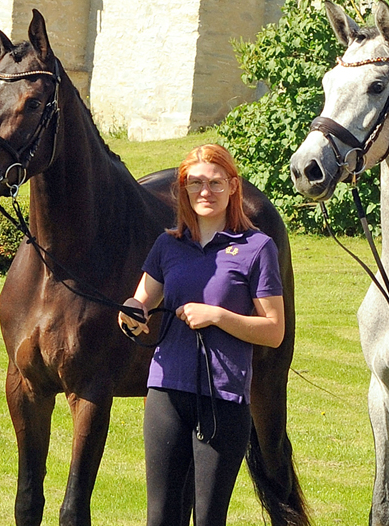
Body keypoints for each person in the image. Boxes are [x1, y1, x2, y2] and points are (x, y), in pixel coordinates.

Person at [117, 144, 284, 526]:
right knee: (161, 517)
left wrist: (218, 316)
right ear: (184, 190)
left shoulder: (257, 248)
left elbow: (274, 331)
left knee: (209, 517)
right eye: (195, 183)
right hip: (166, 393)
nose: (204, 191)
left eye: (214, 182)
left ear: (232, 186)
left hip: (223, 397)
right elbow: (142, 299)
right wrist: (132, 314)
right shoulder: (168, 244)